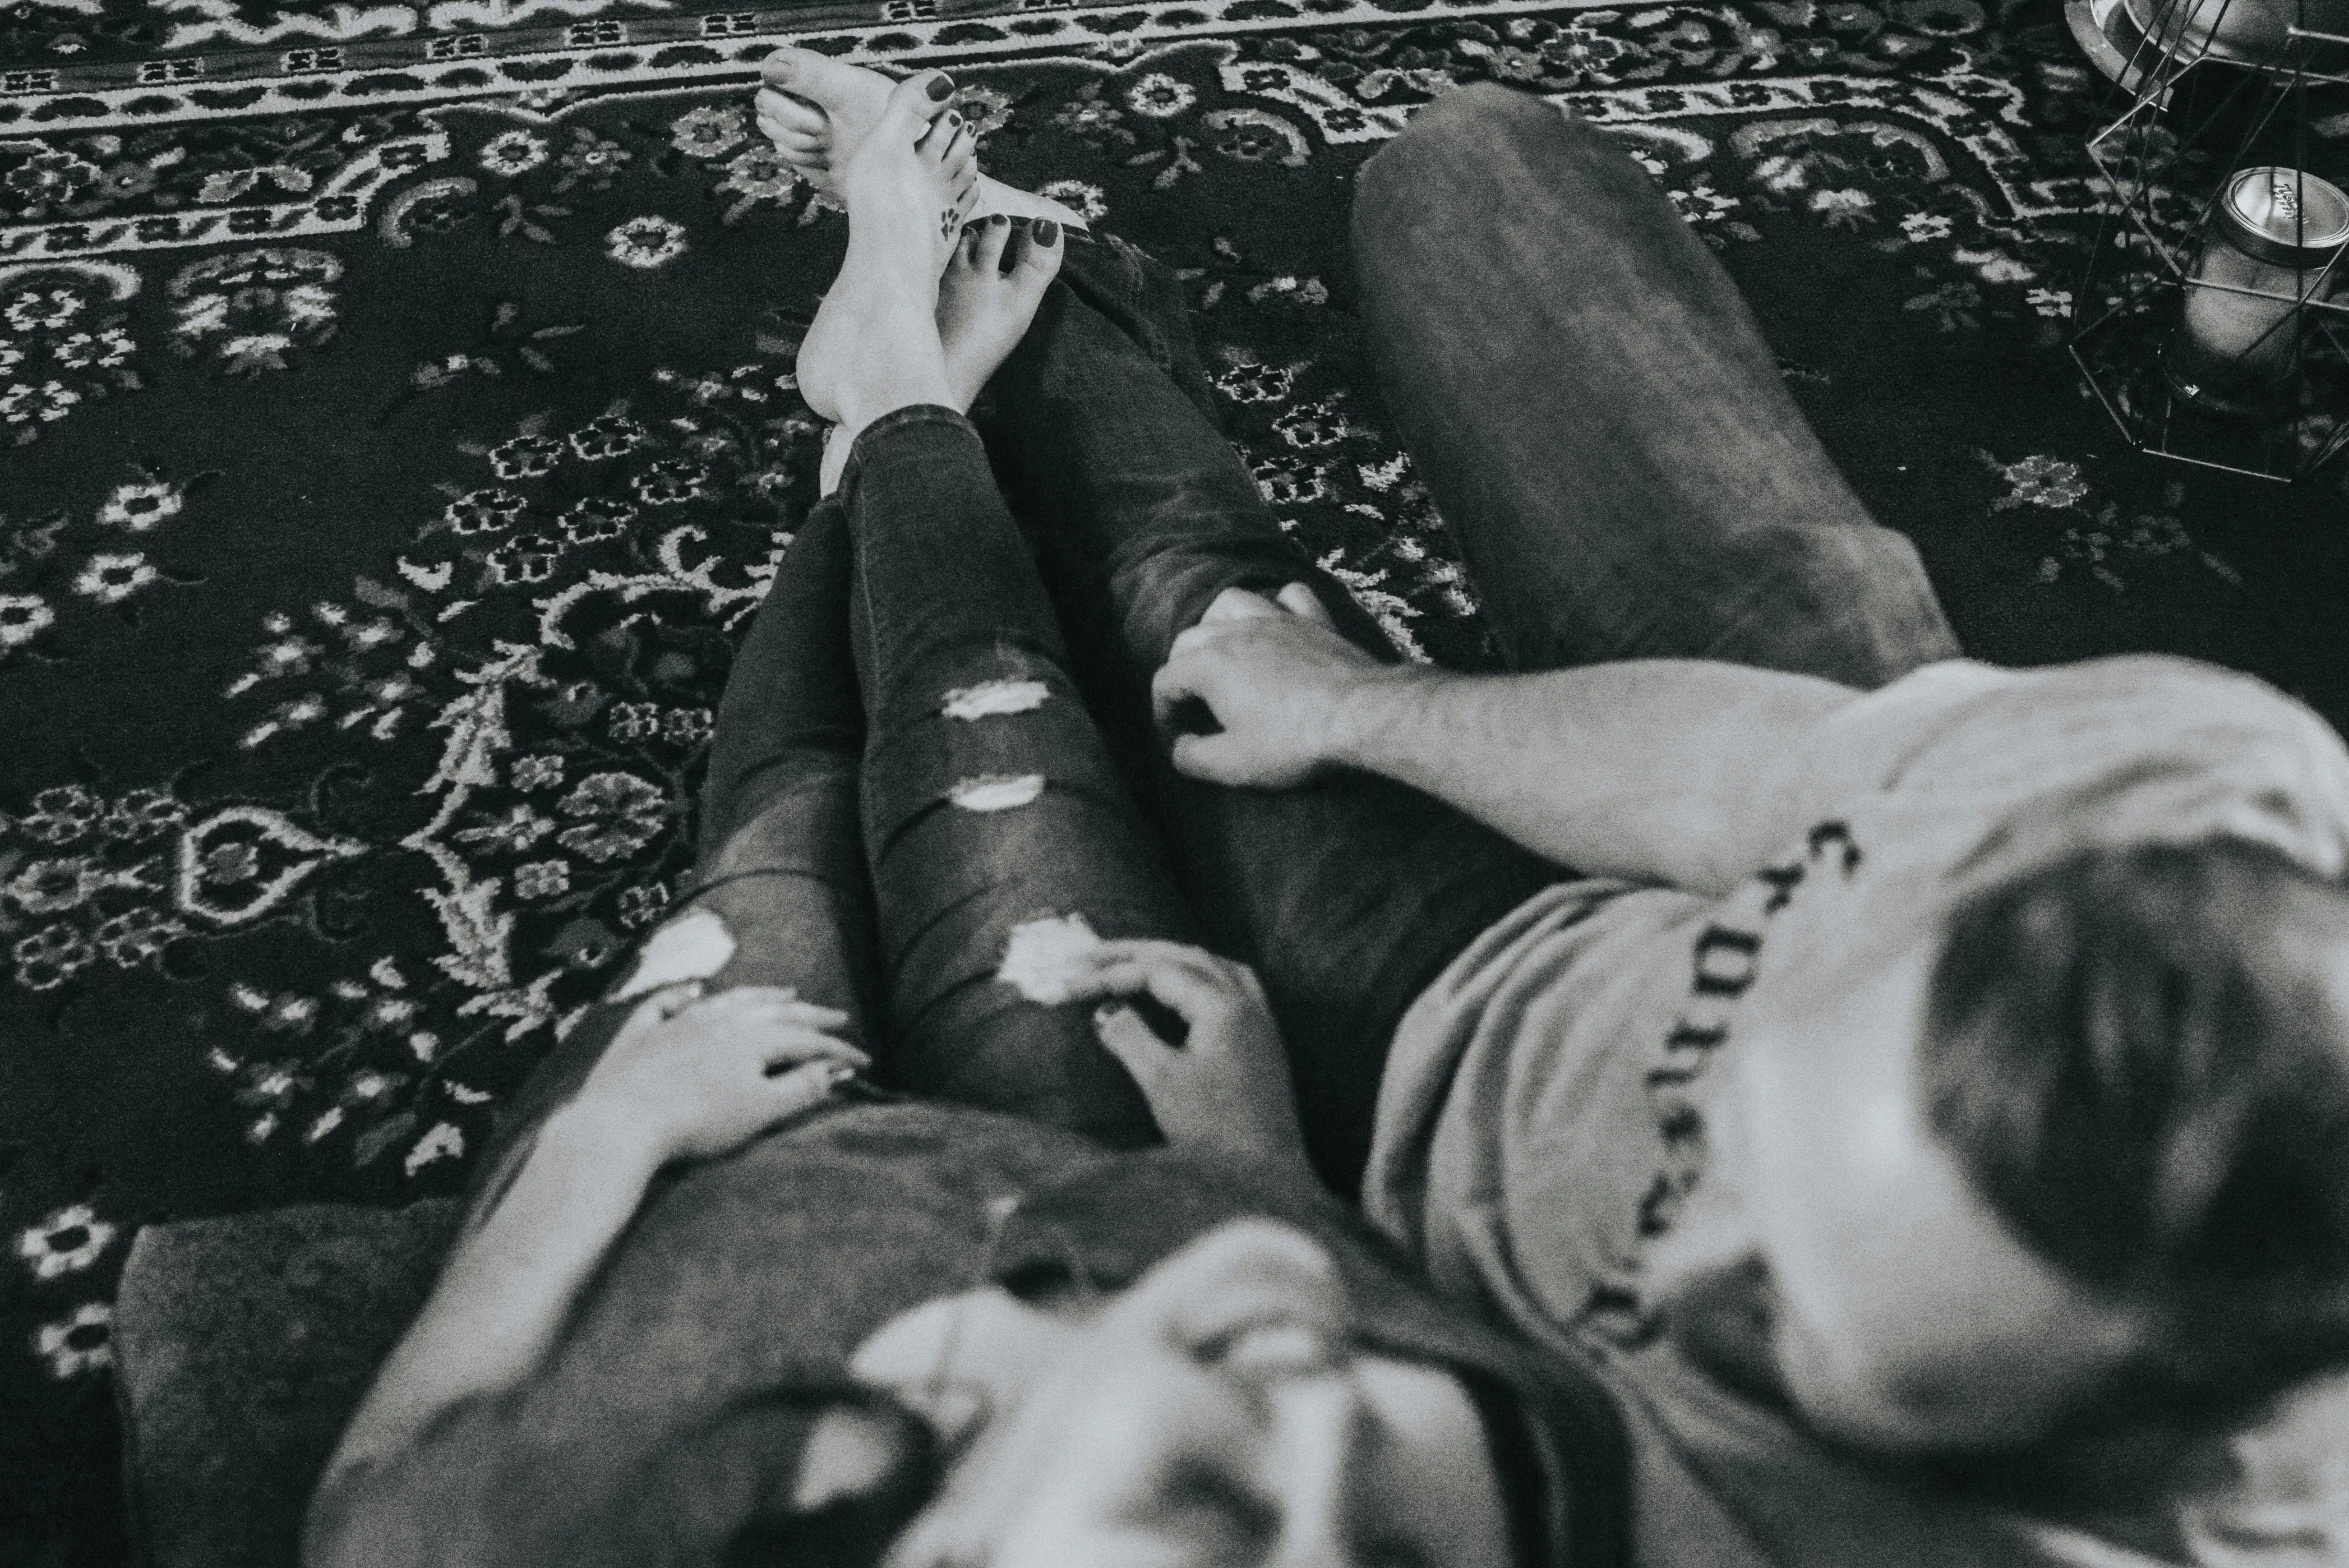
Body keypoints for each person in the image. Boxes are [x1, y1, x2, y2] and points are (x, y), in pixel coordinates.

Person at [748, 50, 2349, 1567]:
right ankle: (940, 349)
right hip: (1596, 927)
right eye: (1744, 1095)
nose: (1677, 1247)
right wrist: (1361, 708)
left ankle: (910, 378)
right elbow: (1750, 782)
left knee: (1086, 688)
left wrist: (1280, 1202)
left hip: (1398, 1188)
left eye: (1778, 1320)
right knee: (1427, 246)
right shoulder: (2193, 808)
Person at [294, 72, 1628, 1568]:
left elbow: (377, 1497)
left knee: (792, 818)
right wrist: (1258, 1178)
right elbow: (1320, 1332)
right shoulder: (1327, 1351)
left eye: (1229, 1517)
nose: (1313, 1338)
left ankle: (881, 415)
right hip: (1104, 1191)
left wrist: (609, 1138)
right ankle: (890, 407)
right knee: (991, 740)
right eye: (1407, 1548)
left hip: (713, 1186)